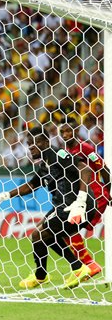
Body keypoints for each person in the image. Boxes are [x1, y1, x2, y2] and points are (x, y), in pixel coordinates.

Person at [0, 127, 97, 289]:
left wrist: (80, 201)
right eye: (29, 144)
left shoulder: (57, 154)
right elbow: (31, 185)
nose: (31, 147)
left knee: (40, 234)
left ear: (46, 142)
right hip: (63, 207)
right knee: (41, 236)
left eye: (36, 143)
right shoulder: (45, 164)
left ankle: (77, 268)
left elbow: (85, 169)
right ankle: (43, 275)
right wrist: (5, 196)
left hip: (77, 205)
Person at [58, 119, 108, 279]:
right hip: (83, 196)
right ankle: (87, 266)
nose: (65, 135)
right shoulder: (65, 151)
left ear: (76, 131)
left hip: (95, 195)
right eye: (62, 132)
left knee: (68, 227)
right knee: (65, 230)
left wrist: (108, 191)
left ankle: (88, 265)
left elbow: (104, 169)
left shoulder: (85, 148)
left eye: (68, 131)